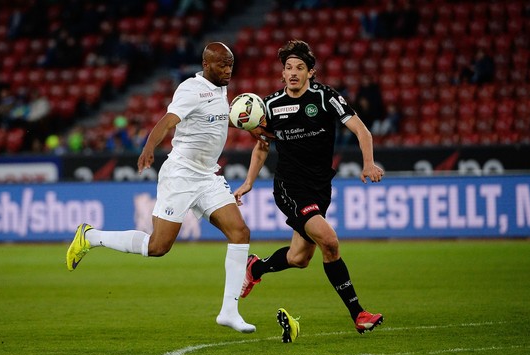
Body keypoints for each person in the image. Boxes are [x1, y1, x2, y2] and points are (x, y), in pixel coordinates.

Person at [66, 42, 270, 334]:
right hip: (181, 175)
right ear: (206, 64)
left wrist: (252, 128)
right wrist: (149, 147)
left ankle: (229, 311)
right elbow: (168, 121)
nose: (228, 71)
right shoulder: (190, 89)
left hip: (207, 177)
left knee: (240, 233)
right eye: (222, 65)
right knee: (158, 247)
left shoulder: (221, 89)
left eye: (231, 66)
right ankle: (91, 236)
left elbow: (213, 122)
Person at [234, 40, 385, 335]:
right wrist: (249, 181)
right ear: (282, 74)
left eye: (299, 68)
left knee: (299, 258)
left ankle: (256, 268)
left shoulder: (326, 97)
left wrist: (369, 163)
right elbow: (262, 146)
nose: (293, 72)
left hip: (319, 187)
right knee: (329, 241)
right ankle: (359, 314)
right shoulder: (272, 106)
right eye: (288, 67)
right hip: (289, 186)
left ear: (311, 72)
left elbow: (361, 130)